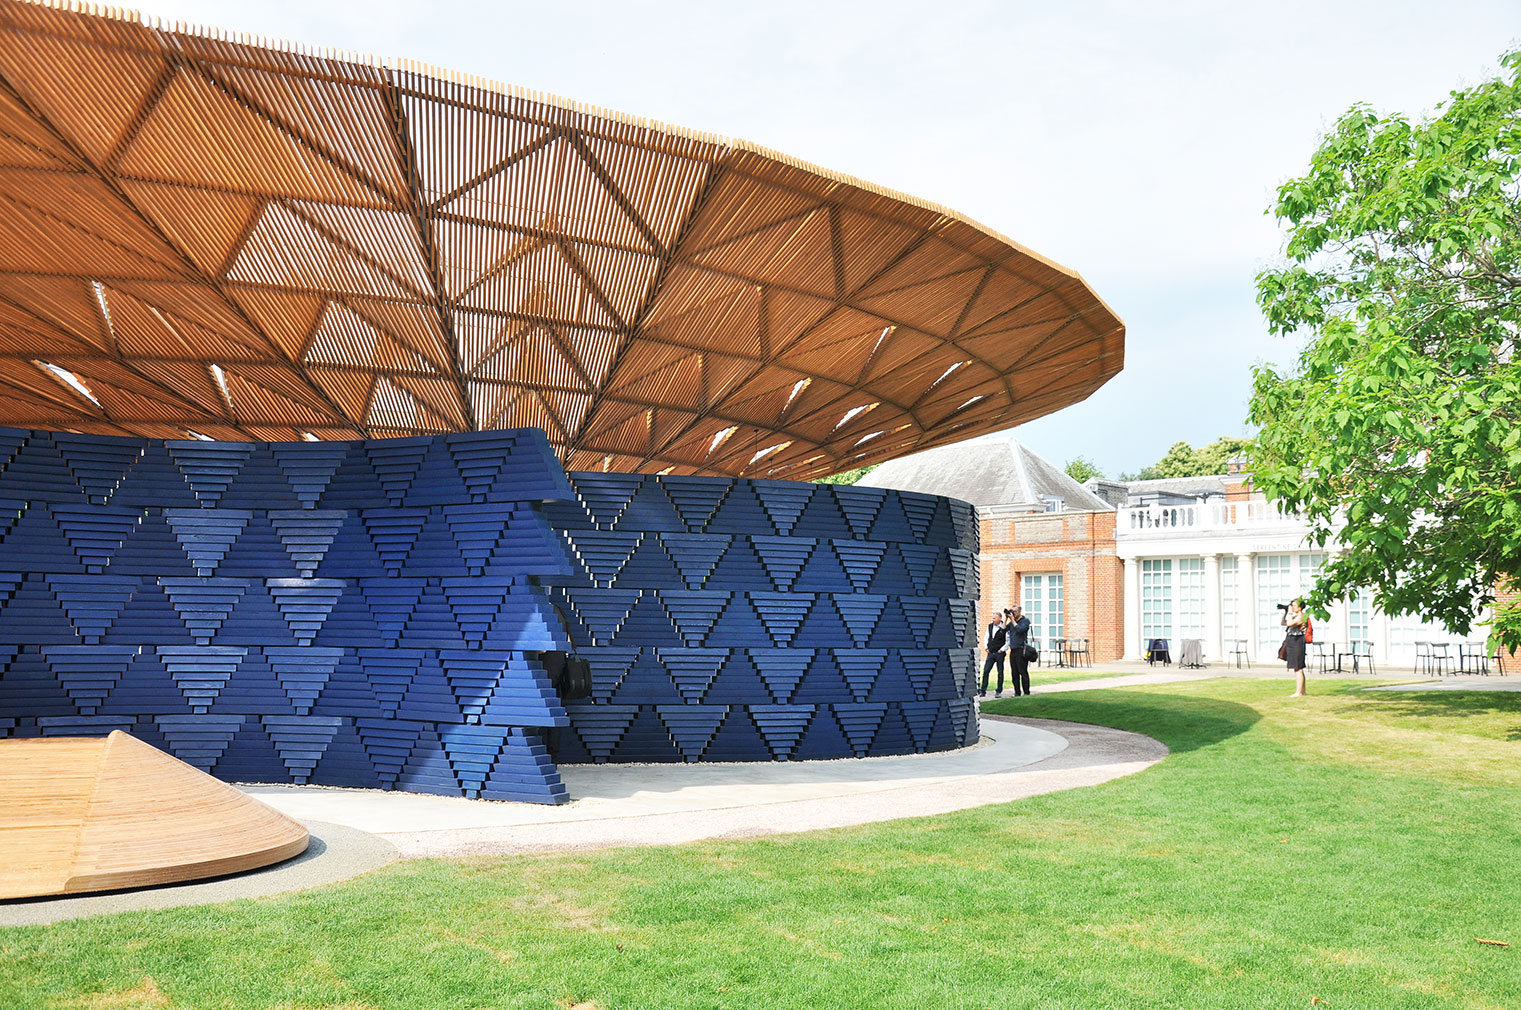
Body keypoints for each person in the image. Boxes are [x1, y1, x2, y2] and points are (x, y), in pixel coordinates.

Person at [1282, 598, 1308, 697]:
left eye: (1294, 606)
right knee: (1298, 668)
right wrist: (1286, 612)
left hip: (1297, 642)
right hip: (1293, 641)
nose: (1292, 607)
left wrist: (1289, 613)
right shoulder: (1295, 616)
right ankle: (1303, 691)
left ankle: (1298, 692)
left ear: (1300, 607)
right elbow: (1284, 623)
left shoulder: (1301, 616)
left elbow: (1290, 623)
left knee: (1298, 668)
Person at [1006, 604, 1032, 696]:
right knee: (1014, 673)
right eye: (1012, 611)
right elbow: (1003, 630)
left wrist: (1012, 620)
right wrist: (1006, 618)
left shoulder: (1025, 621)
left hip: (1021, 650)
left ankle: (1026, 692)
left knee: (1023, 672)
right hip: (1013, 650)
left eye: (1015, 611)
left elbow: (1020, 630)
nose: (1013, 613)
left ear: (1020, 611)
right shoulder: (1011, 623)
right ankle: (1017, 692)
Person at [980, 611, 1007, 697]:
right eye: (992, 618)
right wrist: (986, 647)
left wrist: (1002, 650)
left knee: (1000, 672)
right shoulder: (990, 626)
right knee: (986, 671)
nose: (993, 620)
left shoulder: (1004, 627)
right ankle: (983, 690)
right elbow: (986, 637)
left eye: (994, 618)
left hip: (999, 653)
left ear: (1000, 618)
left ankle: (999, 691)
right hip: (991, 652)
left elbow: (1008, 640)